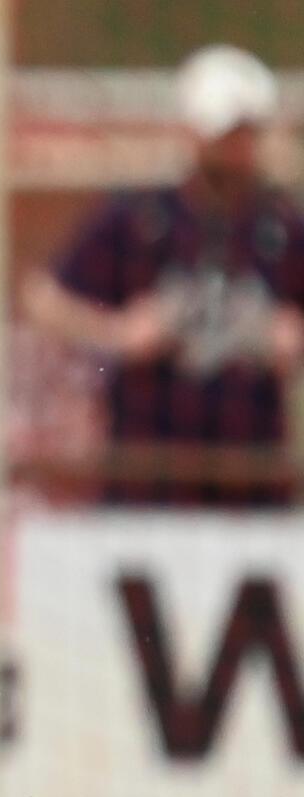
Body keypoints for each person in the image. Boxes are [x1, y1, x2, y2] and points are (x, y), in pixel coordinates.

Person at [21, 44, 304, 509]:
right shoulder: (141, 219)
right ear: (192, 132)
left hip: (254, 478)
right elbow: (43, 297)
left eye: (246, 135)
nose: (236, 151)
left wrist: (290, 338)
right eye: (226, 135)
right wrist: (115, 333)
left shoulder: (283, 227)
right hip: (147, 474)